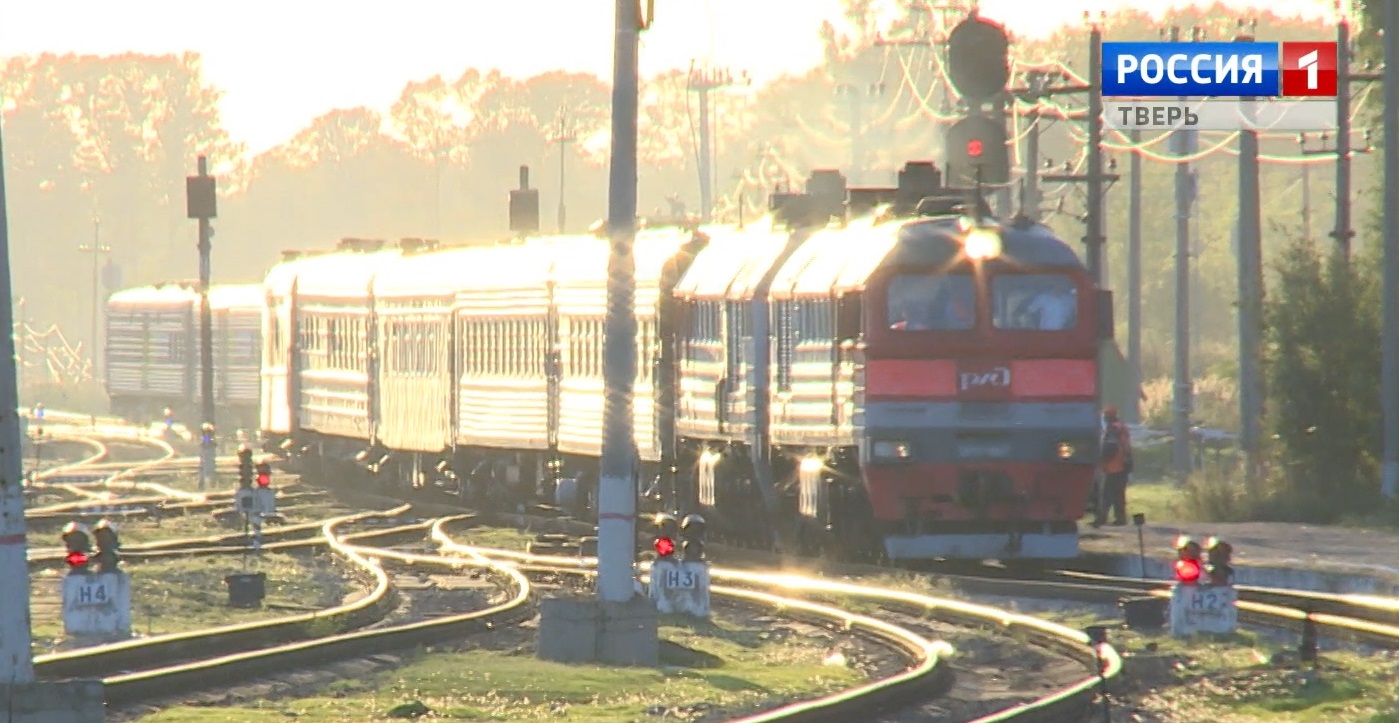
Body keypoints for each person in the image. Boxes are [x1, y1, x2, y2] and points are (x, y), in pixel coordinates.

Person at [1094, 405, 1133, 527]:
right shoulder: (1122, 427)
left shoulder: (1112, 429)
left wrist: (1101, 462)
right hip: (1123, 466)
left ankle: (1101, 519)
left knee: (1106, 494)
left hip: (1113, 467)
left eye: (1105, 416)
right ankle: (1120, 519)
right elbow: (1126, 447)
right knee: (1119, 494)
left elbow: (1109, 448)